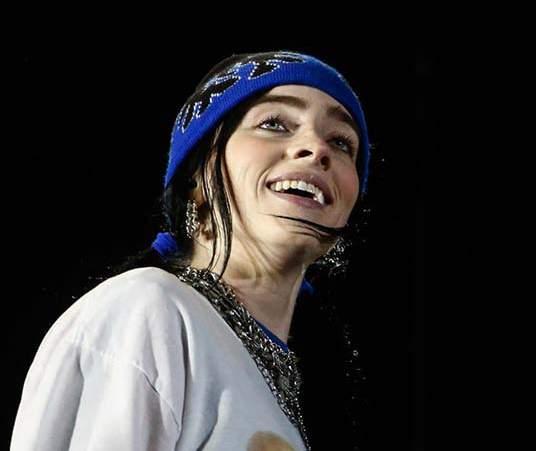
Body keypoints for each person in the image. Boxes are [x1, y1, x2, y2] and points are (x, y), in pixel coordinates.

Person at [11, 50, 371, 450]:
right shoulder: (147, 308)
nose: (317, 148)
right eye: (273, 123)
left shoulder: (301, 392)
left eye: (342, 142)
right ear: (197, 178)